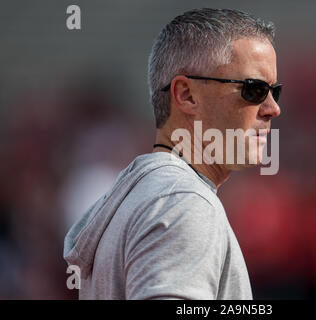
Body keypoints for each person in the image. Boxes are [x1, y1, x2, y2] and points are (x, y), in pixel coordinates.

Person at [63, 8, 281, 299]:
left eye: (274, 91)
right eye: (254, 89)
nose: (272, 108)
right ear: (187, 95)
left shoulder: (146, 195)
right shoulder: (182, 203)